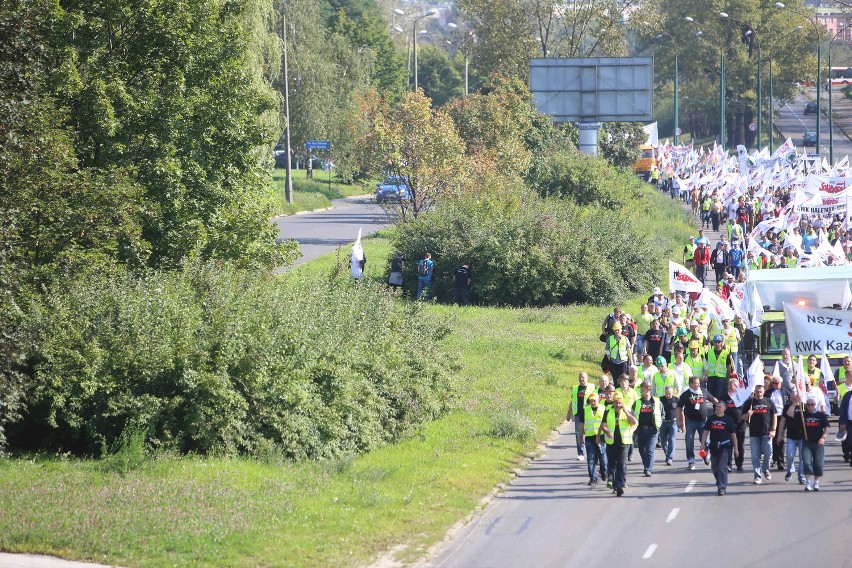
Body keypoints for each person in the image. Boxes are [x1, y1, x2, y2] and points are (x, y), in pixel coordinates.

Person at [597, 392, 638, 497]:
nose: (618, 405)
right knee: (612, 464)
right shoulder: (608, 411)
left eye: (620, 403)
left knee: (622, 464)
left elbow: (634, 422)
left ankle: (619, 486)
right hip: (611, 442)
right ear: (613, 403)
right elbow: (603, 425)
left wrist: (626, 411)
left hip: (624, 442)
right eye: (616, 402)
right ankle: (615, 485)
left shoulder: (627, 410)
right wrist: (606, 432)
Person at [700, 400, 739, 495]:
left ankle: (722, 487)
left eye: (720, 407)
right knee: (715, 467)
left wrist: (736, 449)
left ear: (725, 408)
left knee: (722, 466)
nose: (718, 408)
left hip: (725, 446)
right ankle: (719, 481)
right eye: (716, 407)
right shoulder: (711, 418)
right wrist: (702, 444)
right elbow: (705, 432)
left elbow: (733, 435)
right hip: (714, 446)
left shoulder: (728, 420)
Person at [742, 384, 777, 484]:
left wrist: (773, 429)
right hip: (754, 433)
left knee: (768, 454)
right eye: (757, 392)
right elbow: (743, 417)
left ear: (763, 392)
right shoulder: (750, 402)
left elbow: (774, 415)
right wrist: (747, 414)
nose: (759, 394)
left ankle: (766, 469)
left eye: (761, 392)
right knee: (755, 456)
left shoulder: (768, 401)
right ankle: (757, 476)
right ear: (755, 392)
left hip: (767, 433)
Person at [677, 376, 713, 470]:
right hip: (690, 422)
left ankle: (705, 456)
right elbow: (679, 407)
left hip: (703, 422)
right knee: (689, 441)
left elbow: (714, 400)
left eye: (698, 383)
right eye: (696, 383)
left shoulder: (704, 391)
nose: (698, 385)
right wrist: (679, 420)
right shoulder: (686, 394)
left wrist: (721, 409)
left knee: (705, 441)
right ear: (691, 384)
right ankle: (691, 461)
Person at [778, 388, 807, 485]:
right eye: (793, 398)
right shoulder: (787, 407)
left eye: (796, 398)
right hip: (791, 436)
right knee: (790, 456)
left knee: (803, 458)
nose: (795, 400)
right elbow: (784, 419)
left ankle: (802, 477)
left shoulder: (804, 407)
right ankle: (790, 470)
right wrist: (779, 435)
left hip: (802, 436)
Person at [634, 380, 662, 477]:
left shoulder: (656, 401)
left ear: (648, 389)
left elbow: (662, 413)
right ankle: (646, 464)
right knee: (642, 450)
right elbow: (633, 415)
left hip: (653, 430)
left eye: (642, 389)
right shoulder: (637, 402)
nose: (641, 391)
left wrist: (658, 424)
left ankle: (648, 469)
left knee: (650, 450)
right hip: (641, 429)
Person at [801, 395, 830, 491]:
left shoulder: (821, 415)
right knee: (807, 462)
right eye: (808, 405)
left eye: (812, 404)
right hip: (807, 442)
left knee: (818, 463)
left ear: (815, 405)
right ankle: (808, 482)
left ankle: (816, 482)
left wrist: (823, 438)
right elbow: (789, 413)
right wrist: (795, 402)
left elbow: (826, 427)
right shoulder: (802, 415)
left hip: (818, 443)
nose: (810, 406)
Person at [720, 377, 747, 472]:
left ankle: (739, 464)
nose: (731, 386)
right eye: (730, 384)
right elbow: (719, 408)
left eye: (734, 385)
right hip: (727, 425)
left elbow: (746, 408)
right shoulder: (723, 397)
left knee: (740, 446)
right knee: (728, 445)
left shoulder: (741, 396)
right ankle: (728, 465)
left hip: (740, 425)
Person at [581, 392, 607, 486]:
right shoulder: (586, 410)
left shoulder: (603, 409)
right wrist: (580, 437)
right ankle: (593, 478)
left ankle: (604, 472)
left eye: (594, 401)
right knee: (590, 459)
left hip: (601, 438)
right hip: (590, 438)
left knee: (603, 459)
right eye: (591, 401)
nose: (592, 402)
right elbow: (582, 424)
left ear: (598, 400)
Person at [566, 372, 594, 461]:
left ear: (587, 378)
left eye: (583, 377)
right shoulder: (575, 389)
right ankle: (581, 453)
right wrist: (569, 413)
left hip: (589, 414)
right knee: (579, 434)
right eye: (580, 377)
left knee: (591, 433)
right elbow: (572, 401)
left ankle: (592, 452)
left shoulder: (592, 388)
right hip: (578, 415)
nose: (582, 379)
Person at [765, 376, 789, 471]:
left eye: (777, 383)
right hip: (770, 417)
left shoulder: (786, 392)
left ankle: (781, 461)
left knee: (780, 439)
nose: (775, 385)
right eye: (774, 383)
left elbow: (788, 404)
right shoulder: (768, 392)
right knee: (772, 438)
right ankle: (774, 458)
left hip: (781, 417)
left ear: (781, 383)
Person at [705, 334, 731, 402]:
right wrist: (705, 375)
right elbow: (705, 365)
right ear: (713, 342)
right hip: (711, 377)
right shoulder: (709, 352)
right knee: (712, 396)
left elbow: (728, 367)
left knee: (719, 395)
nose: (717, 343)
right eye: (715, 342)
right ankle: (714, 410)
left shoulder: (726, 353)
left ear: (722, 342)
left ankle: (719, 410)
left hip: (721, 377)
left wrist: (727, 378)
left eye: (718, 342)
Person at [660, 385, 679, 465]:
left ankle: (669, 458)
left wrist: (681, 423)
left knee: (672, 440)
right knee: (663, 442)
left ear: (672, 393)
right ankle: (667, 455)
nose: (668, 395)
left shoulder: (676, 400)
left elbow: (681, 411)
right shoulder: (660, 400)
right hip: (663, 423)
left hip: (673, 423)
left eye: (669, 394)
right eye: (666, 394)